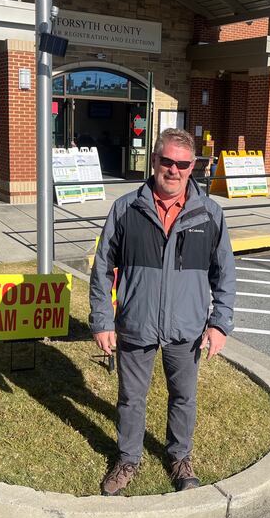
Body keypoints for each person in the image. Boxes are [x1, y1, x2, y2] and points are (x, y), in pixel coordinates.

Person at [89, 128, 236, 496]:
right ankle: (128, 459)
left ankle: (180, 457)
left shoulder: (209, 214)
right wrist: (102, 320)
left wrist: (220, 324)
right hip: (136, 323)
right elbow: (102, 268)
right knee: (131, 398)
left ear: (193, 167)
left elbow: (225, 274)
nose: (174, 170)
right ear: (154, 161)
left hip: (186, 327)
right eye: (167, 161)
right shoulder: (126, 209)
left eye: (182, 164)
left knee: (183, 397)